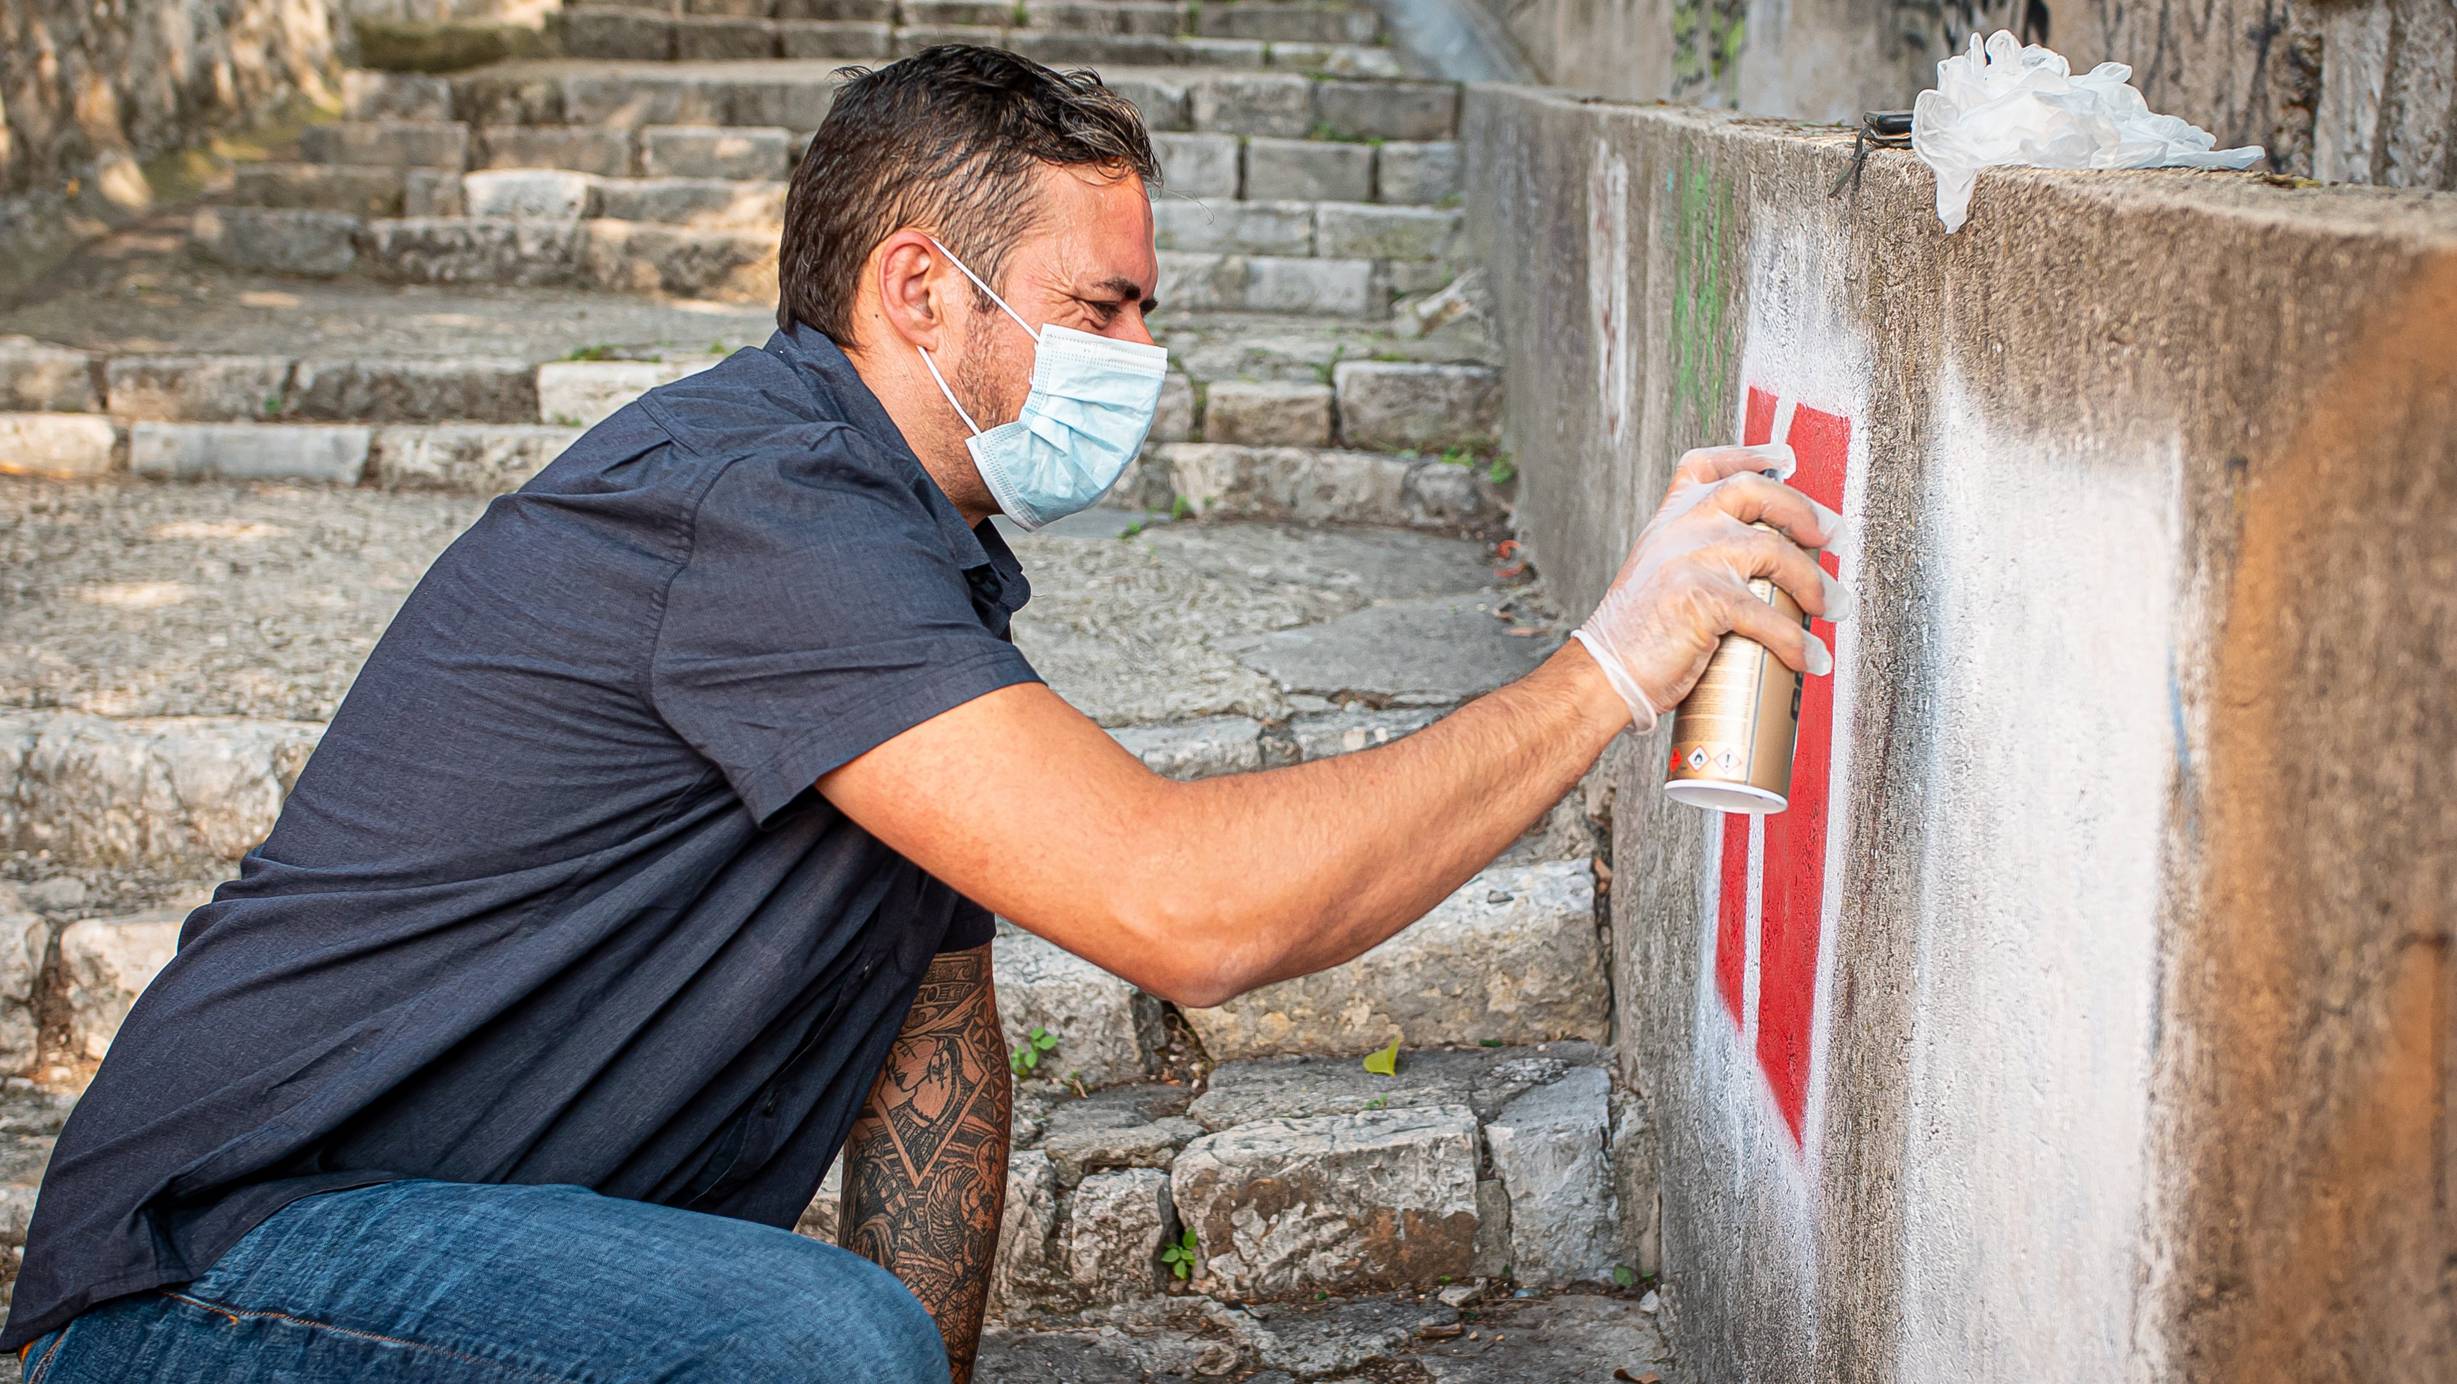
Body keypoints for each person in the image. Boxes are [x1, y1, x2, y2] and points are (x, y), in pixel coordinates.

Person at [2, 44, 1847, 1384]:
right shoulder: (758, 510)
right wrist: (1607, 667)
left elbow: (929, 1052)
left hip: (448, 1274)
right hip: (212, 1289)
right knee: (802, 1339)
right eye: (1098, 309)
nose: (1140, 365)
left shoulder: (898, 556)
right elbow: (1194, 913)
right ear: (916, 287)